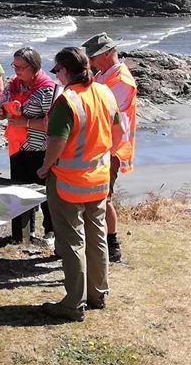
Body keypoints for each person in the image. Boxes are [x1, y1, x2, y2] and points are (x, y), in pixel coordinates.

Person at [36, 47, 122, 322]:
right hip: (98, 178)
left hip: (68, 182)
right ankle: (98, 293)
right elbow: (118, 130)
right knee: (97, 237)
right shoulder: (105, 92)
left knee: (73, 240)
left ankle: (74, 303)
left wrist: (45, 167)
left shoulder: (68, 101)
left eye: (57, 70)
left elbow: (56, 142)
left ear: (66, 71)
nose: (56, 76)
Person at [83, 33, 137, 263]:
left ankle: (112, 244)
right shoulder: (104, 74)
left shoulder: (122, 81)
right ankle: (101, 242)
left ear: (106, 54)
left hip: (113, 149)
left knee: (104, 198)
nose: (90, 62)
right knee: (98, 197)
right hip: (101, 145)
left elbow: (104, 111)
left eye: (93, 57)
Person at [0, 47, 56, 246]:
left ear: (34, 67)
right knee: (19, 190)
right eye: (14, 66)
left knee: (45, 192)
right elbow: (1, 111)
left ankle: (51, 231)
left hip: (40, 148)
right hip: (17, 146)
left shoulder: (47, 88)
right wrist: (2, 109)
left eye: (21, 67)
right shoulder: (14, 84)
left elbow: (53, 124)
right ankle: (23, 235)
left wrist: (27, 123)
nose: (16, 71)